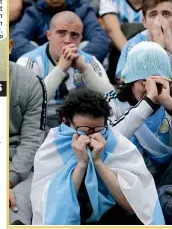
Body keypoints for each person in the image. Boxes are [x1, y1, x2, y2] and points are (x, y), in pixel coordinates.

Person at [31, 88, 165, 225]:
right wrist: (81, 165)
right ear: (66, 122)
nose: (91, 137)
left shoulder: (118, 144)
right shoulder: (53, 147)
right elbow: (52, 210)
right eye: (83, 131)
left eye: (98, 130)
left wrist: (98, 162)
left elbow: (134, 207)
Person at [107, 41, 172, 188]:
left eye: (156, 82)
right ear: (130, 81)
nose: (149, 89)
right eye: (143, 82)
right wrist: (147, 104)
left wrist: (169, 103)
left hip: (164, 180)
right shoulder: (112, 102)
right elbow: (107, 142)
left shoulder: (170, 103)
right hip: (127, 186)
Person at [17, 11, 112, 131]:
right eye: (61, 33)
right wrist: (60, 69)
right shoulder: (29, 61)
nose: (67, 40)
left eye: (74, 35)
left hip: (79, 124)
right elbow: (24, 105)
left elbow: (112, 99)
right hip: (40, 121)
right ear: (49, 35)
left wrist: (84, 70)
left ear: (80, 39)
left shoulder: (88, 61)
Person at [10, 0, 109, 63]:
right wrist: (49, 60)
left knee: (85, 44)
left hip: (76, 66)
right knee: (31, 46)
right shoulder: (34, 12)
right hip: (43, 70)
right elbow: (16, 40)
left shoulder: (83, 10)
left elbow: (99, 40)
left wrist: (72, 60)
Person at [9, 39, 47, 225]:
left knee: (14, 205)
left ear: (9, 47)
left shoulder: (32, 82)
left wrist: (7, 182)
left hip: (19, 168)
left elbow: (32, 141)